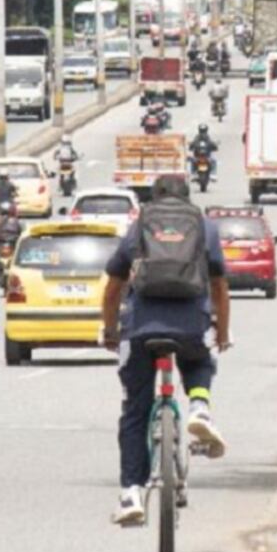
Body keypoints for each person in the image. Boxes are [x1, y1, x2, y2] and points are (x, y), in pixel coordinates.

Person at [102, 175, 232, 526]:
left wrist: (110, 330)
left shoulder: (139, 225)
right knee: (200, 359)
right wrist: (221, 330)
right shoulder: (204, 226)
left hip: (141, 329)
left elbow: (114, 286)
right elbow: (220, 285)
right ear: (188, 197)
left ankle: (131, 491)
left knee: (135, 411)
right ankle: (200, 406)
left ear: (153, 198)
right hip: (192, 324)